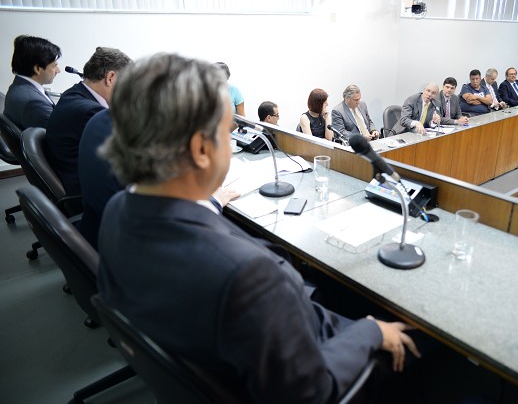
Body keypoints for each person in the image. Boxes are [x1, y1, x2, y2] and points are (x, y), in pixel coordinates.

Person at [96, 53, 420, 403]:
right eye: (228, 132)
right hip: (313, 367)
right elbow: (311, 392)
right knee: (425, 345)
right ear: (201, 149)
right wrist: (370, 331)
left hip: (241, 350)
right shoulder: (246, 274)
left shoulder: (118, 209)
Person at [77, 109, 239, 250]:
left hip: (94, 234)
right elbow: (170, 227)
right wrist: (213, 202)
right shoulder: (145, 141)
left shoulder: (100, 119)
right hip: (133, 249)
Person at [46, 47, 132, 196]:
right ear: (110, 78)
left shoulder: (73, 95)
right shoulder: (92, 112)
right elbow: (124, 160)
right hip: (87, 196)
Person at [3, 35, 61, 129]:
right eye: (54, 66)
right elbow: (59, 133)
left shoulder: (19, 86)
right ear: (38, 69)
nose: (58, 71)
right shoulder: (34, 103)